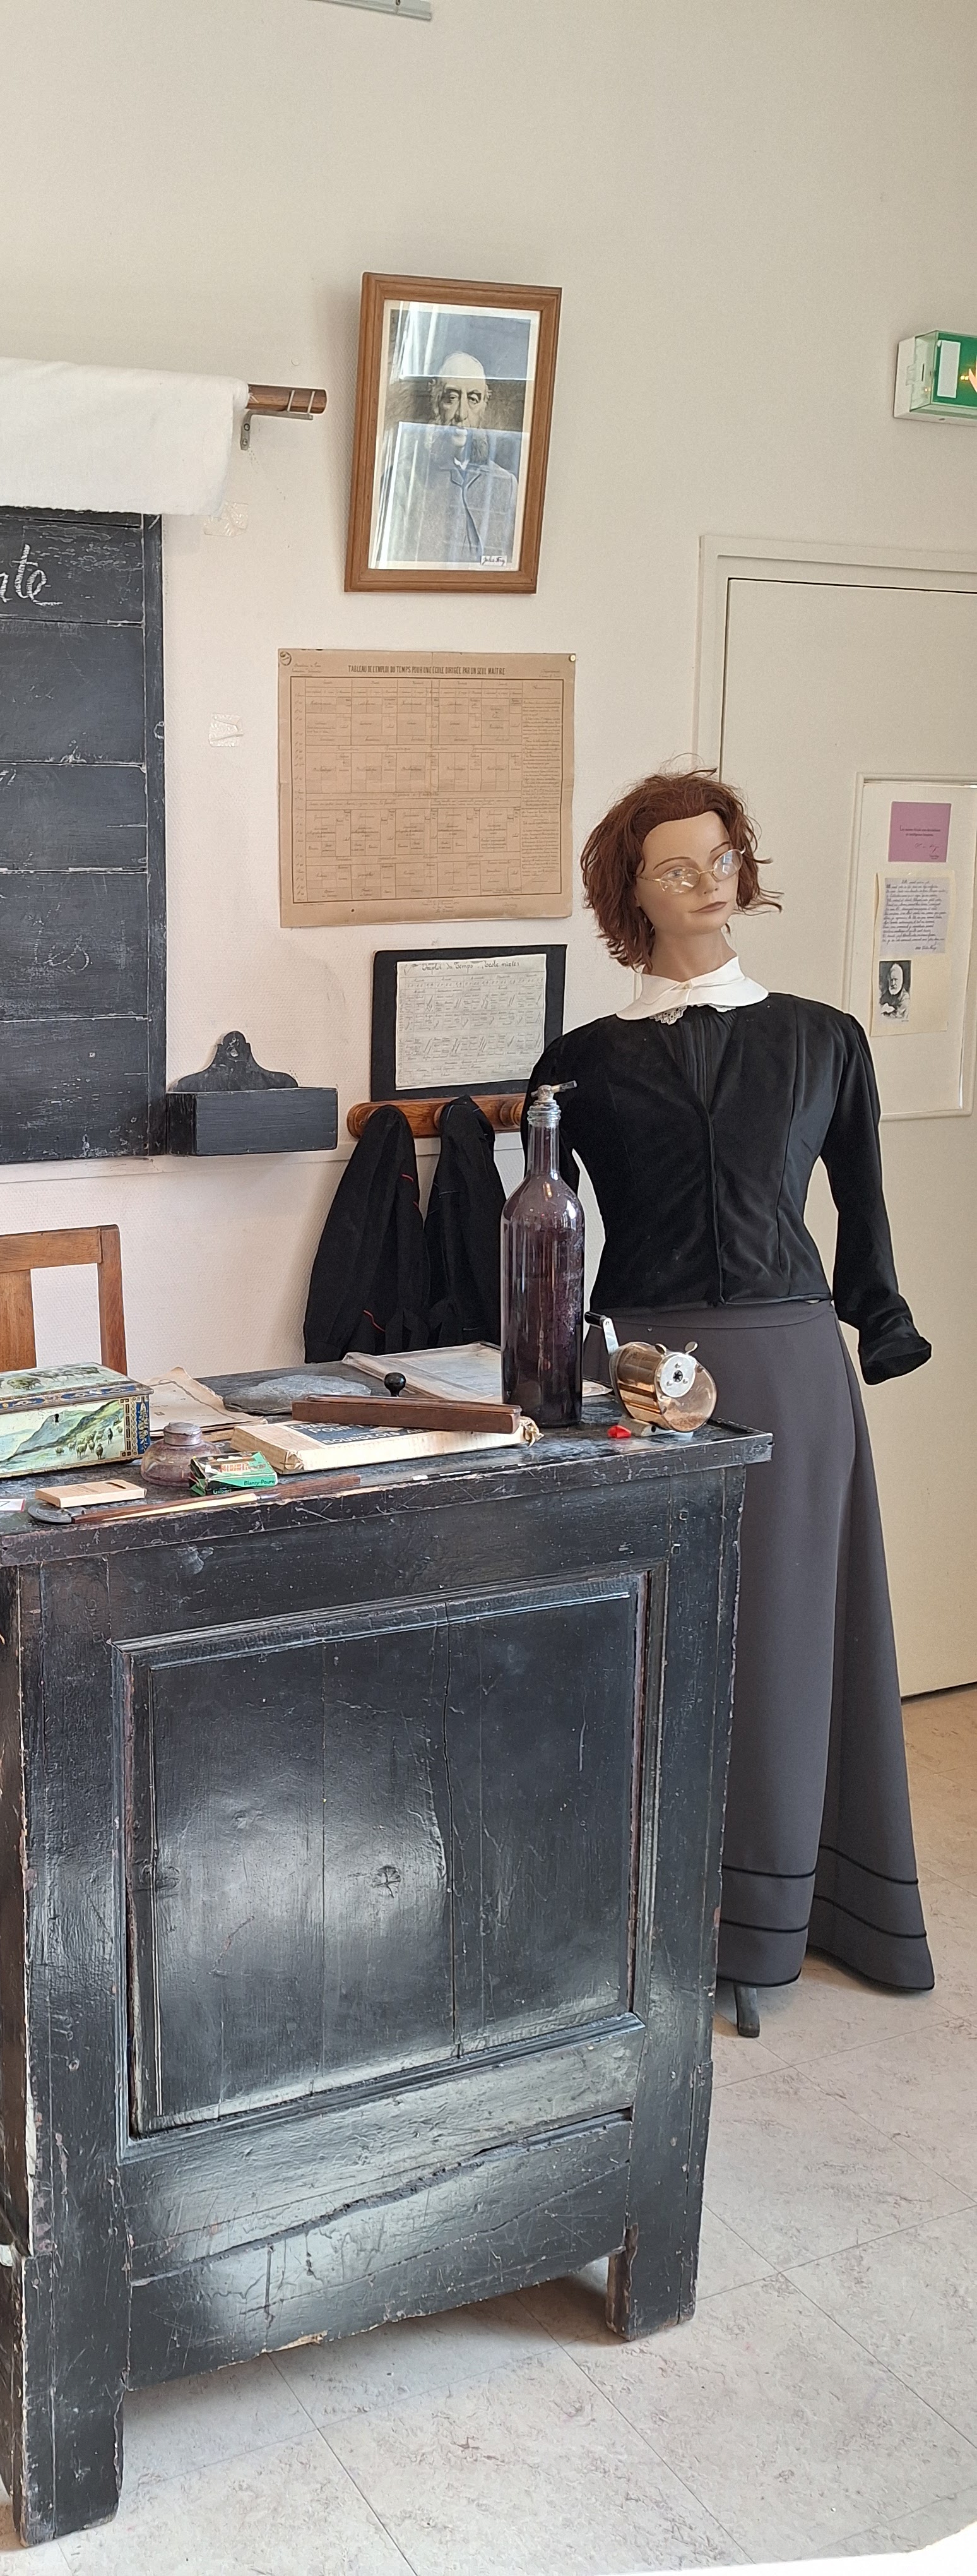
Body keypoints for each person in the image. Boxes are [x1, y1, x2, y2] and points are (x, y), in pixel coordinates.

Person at [530, 772, 933, 2014]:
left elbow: (862, 1208)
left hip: (796, 1369)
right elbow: (546, 1236)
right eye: (677, 867)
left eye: (721, 859)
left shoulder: (824, 1039)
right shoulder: (579, 1066)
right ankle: (649, 1923)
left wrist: (882, 1320)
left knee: (791, 1643)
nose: (709, 884)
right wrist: (541, 1376)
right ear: (630, 895)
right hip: (643, 1377)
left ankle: (783, 1919)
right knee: (655, 1645)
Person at [376, 352, 521, 568]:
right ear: (437, 404)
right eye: (452, 398)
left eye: (473, 399)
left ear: (483, 408)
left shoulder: (506, 485)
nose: (461, 414)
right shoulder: (403, 480)